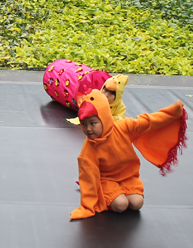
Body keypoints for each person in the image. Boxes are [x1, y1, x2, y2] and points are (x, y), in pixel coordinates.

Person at [70, 89, 187, 220]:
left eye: (93, 123)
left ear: (104, 118)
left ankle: (119, 194)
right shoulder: (89, 150)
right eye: (84, 124)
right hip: (107, 180)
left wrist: (172, 113)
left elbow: (148, 122)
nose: (88, 129)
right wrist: (87, 207)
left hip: (128, 178)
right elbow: (88, 178)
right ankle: (105, 196)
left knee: (137, 203)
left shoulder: (122, 128)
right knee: (121, 205)